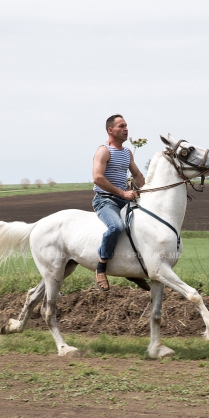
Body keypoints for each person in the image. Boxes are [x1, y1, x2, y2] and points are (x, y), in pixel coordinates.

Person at [92, 114, 149, 291]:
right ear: (111, 130)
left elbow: (138, 176)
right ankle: (101, 267)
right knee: (116, 227)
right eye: (121, 126)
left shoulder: (127, 152)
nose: (126, 129)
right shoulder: (104, 151)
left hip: (123, 199)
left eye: (126, 126)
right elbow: (97, 178)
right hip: (105, 200)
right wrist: (122, 193)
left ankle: (131, 270)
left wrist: (146, 192)